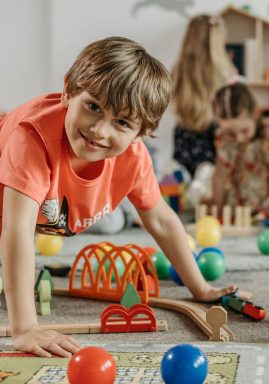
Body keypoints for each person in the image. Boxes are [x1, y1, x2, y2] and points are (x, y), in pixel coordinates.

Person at [0, 36, 245, 358]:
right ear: (68, 92)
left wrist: (200, 288)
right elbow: (17, 229)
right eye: (93, 107)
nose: (100, 130)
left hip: (52, 209)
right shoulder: (31, 138)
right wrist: (25, 328)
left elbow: (160, 218)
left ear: (141, 133)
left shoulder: (134, 158)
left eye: (122, 122)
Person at [211, 82, 269, 217]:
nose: (239, 138)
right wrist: (218, 210)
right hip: (242, 202)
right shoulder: (222, 137)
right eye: (231, 133)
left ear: (256, 113)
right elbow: (219, 176)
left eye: (244, 131)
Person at [172, 14, 237, 178]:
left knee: (184, 190)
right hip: (215, 139)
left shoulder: (178, 72)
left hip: (184, 138)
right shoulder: (227, 74)